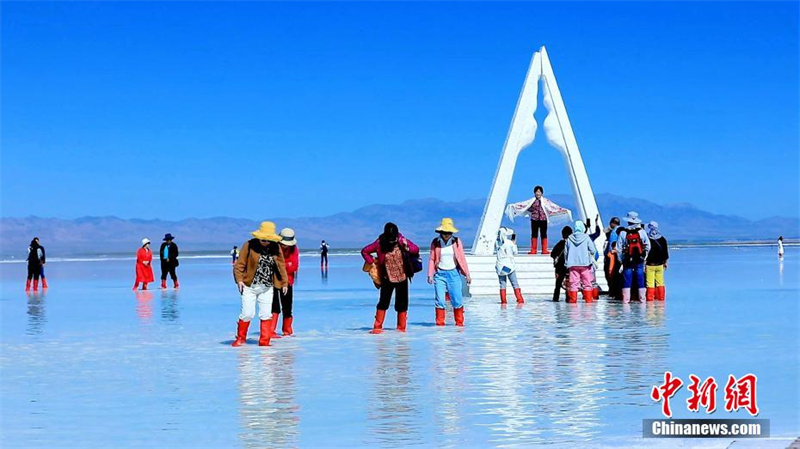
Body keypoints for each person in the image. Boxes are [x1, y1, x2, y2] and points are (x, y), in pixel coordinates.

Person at [231, 221, 289, 347]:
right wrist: (239, 280)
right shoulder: (249, 245)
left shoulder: (275, 247)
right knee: (247, 313)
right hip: (249, 286)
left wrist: (284, 283)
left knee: (266, 314)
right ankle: (241, 338)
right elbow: (240, 264)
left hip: (267, 287)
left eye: (268, 240)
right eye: (263, 239)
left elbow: (281, 265)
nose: (266, 242)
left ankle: (264, 341)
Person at [361, 223, 420, 333]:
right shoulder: (379, 243)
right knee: (383, 302)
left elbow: (415, 249)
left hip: (402, 277)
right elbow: (365, 251)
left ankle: (401, 328)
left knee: (402, 303)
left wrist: (407, 247)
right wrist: (372, 262)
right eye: (390, 239)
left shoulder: (402, 240)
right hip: (387, 277)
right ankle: (377, 327)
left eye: (394, 238)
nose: (392, 241)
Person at [428, 218, 472, 326]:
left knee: (457, 300)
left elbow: (462, 258)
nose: (446, 235)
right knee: (440, 301)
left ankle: (459, 325)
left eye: (449, 232)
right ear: (441, 232)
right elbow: (432, 258)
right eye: (444, 232)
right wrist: (430, 274)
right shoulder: (436, 242)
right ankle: (440, 325)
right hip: (440, 275)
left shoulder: (456, 242)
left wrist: (467, 274)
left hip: (454, 274)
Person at [505, 186, 572, 255]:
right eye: (537, 192)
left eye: (539, 192)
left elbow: (553, 207)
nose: (538, 193)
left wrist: (564, 211)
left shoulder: (546, 201)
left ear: (542, 193)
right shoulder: (531, 201)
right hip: (534, 219)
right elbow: (524, 206)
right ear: (534, 193)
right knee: (534, 235)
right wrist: (513, 206)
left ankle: (544, 250)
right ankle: (533, 250)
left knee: (544, 235)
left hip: (543, 220)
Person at [616, 211, 650, 303]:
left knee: (627, 279)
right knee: (640, 278)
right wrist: (644, 256)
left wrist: (621, 259)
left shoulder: (623, 232)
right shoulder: (642, 232)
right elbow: (648, 245)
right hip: (639, 259)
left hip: (627, 259)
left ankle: (626, 301)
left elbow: (618, 248)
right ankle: (642, 300)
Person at [271, 228, 299, 337]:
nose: (285, 246)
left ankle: (287, 330)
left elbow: (294, 266)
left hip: (288, 281)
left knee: (287, 306)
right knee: (274, 305)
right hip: (273, 280)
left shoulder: (294, 249)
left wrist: (282, 266)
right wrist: (285, 265)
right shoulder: (273, 247)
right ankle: (271, 330)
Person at [564, 221, 598, 303]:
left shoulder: (569, 238)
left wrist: (566, 262)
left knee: (573, 284)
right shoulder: (586, 238)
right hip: (585, 264)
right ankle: (588, 301)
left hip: (573, 265)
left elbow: (566, 252)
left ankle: (573, 301)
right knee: (587, 283)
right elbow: (593, 250)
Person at [495, 227, 524, 304]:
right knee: (514, 283)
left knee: (502, 284)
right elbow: (515, 253)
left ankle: (503, 301)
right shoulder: (510, 243)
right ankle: (520, 299)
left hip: (500, 266)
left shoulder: (497, 243)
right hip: (508, 266)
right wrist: (514, 244)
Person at [645, 221, 669, 301]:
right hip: (660, 264)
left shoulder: (647, 239)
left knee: (650, 283)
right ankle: (661, 299)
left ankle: (650, 300)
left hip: (650, 265)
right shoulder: (663, 239)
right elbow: (665, 252)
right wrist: (665, 262)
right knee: (660, 282)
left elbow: (646, 252)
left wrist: (644, 263)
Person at [550, 226, 573, 302]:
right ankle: (568, 298)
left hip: (559, 267)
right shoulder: (572, 244)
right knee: (568, 284)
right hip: (568, 266)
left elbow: (552, 254)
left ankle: (555, 299)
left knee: (558, 285)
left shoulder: (560, 243)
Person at [603, 217, 622, 299]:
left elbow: (611, 246)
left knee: (610, 274)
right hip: (619, 257)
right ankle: (617, 292)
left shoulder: (614, 233)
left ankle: (613, 293)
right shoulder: (621, 231)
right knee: (617, 275)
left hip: (612, 257)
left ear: (612, 223)